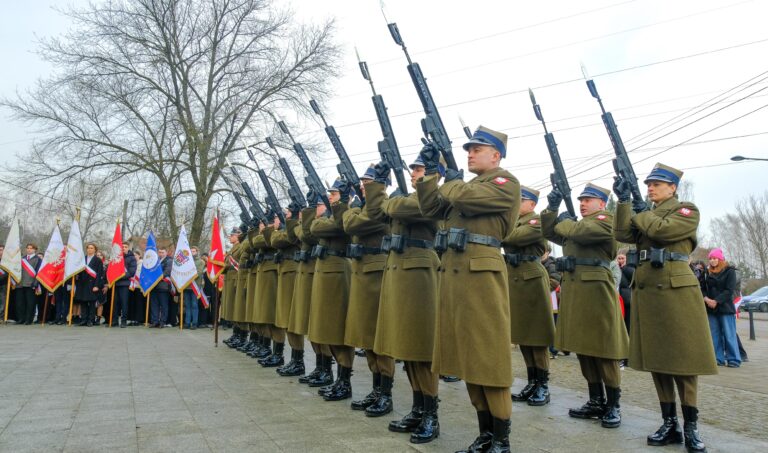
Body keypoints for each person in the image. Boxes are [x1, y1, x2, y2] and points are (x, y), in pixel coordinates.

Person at [416, 125, 519, 451]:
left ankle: (501, 440)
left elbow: (465, 196)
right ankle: (485, 435)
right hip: (456, 278)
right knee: (468, 360)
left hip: (482, 279)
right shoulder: (464, 186)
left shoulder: (505, 183)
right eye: (468, 149)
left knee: (488, 359)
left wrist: (451, 177)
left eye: (477, 149)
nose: (470, 153)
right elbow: (430, 209)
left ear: (496, 155)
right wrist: (431, 173)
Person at [614, 162, 716, 452]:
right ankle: (669, 423)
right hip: (648, 288)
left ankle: (691, 427)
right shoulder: (646, 212)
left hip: (675, 288)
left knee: (684, 361)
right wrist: (623, 202)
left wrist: (639, 208)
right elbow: (622, 233)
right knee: (658, 360)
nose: (650, 188)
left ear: (672, 187)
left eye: (656, 184)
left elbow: (660, 231)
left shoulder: (686, 210)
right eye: (647, 184)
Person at [542, 182, 629, 430]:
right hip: (576, 290)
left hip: (597, 291)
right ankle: (596, 400)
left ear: (601, 203)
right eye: (580, 199)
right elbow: (549, 231)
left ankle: (613, 405)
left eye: (588, 200)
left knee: (604, 351)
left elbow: (579, 232)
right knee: (584, 349)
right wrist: (552, 205)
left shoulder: (606, 220)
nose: (582, 203)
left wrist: (564, 221)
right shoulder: (576, 225)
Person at [367, 156, 441, 443]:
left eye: (421, 170)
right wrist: (377, 184)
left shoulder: (438, 196)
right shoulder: (406, 197)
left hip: (420, 274)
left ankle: (431, 415)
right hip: (400, 273)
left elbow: (416, 207)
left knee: (421, 351)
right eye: (413, 170)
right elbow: (376, 211)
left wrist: (390, 202)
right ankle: (418, 408)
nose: (414, 174)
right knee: (408, 350)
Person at [342, 166, 391, 416]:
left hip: (377, 273)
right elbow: (351, 222)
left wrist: (352, 209)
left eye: (368, 181)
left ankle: (386, 394)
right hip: (362, 273)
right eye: (362, 181)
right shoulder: (365, 206)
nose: (363, 185)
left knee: (380, 338)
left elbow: (355, 224)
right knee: (367, 337)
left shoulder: (382, 205)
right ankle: (376, 389)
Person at [504, 186, 556, 407]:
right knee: (524, 337)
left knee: (537, 337)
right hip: (515, 280)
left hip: (532, 280)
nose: (517, 203)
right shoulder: (513, 221)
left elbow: (512, 237)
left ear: (532, 204)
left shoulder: (536, 222)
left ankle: (543, 385)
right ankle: (532, 382)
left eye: (522, 200)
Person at [308, 179, 354, 401]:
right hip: (326, 273)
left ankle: (344, 381)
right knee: (326, 328)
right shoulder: (335, 215)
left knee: (338, 330)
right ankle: (337, 379)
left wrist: (327, 223)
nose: (331, 197)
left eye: (335, 194)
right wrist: (324, 223)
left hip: (338, 272)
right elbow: (314, 228)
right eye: (331, 194)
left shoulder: (350, 212)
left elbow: (340, 226)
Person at [268, 207, 302, 374]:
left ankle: (298, 361)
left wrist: (282, 228)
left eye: (289, 212)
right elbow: (273, 240)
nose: (285, 215)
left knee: (292, 319)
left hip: (292, 271)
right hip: (285, 271)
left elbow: (287, 237)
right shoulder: (289, 227)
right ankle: (293, 359)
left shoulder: (296, 226)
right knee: (285, 318)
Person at [704, 248, 741, 368]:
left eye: (714, 258)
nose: (712, 261)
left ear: (720, 259)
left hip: (725, 307)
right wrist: (706, 299)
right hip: (710, 308)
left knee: (729, 334)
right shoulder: (707, 272)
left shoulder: (729, 271)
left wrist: (716, 301)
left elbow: (729, 290)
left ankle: (734, 359)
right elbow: (702, 288)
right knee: (714, 335)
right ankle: (718, 358)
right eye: (710, 259)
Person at [76, 243, 105, 327]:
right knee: (83, 302)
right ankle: (84, 319)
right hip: (82, 283)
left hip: (92, 284)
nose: (89, 249)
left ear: (95, 250)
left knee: (92, 303)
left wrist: (97, 285)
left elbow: (99, 274)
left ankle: (90, 320)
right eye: (88, 248)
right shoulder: (82, 259)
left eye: (91, 248)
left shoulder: (98, 260)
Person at [112, 242, 137, 328]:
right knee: (115, 303)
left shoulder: (132, 258)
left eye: (125, 247)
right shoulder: (116, 257)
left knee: (124, 303)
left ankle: (123, 321)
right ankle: (114, 321)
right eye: (122, 247)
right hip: (115, 283)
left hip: (124, 284)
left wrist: (119, 276)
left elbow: (131, 272)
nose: (123, 248)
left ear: (128, 248)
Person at [17, 243, 41, 325]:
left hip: (31, 284)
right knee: (20, 302)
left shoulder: (38, 259)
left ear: (35, 250)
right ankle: (21, 318)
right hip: (20, 284)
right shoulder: (22, 259)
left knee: (30, 303)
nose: (29, 249)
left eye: (31, 248)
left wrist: (35, 284)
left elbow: (38, 272)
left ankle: (28, 319)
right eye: (27, 248)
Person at [150, 248, 172, 328]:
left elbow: (167, 271)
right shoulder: (155, 261)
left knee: (163, 305)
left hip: (163, 286)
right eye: (159, 252)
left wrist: (156, 277)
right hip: (153, 286)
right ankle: (155, 321)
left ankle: (163, 321)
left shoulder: (169, 261)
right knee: (154, 305)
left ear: (166, 253)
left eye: (162, 252)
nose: (161, 254)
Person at [617, 252, 635, 335]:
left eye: (622, 258)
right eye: (619, 258)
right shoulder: (615, 268)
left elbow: (633, 276)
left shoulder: (630, 268)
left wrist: (624, 267)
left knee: (628, 322)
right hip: (617, 298)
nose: (620, 260)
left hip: (627, 300)